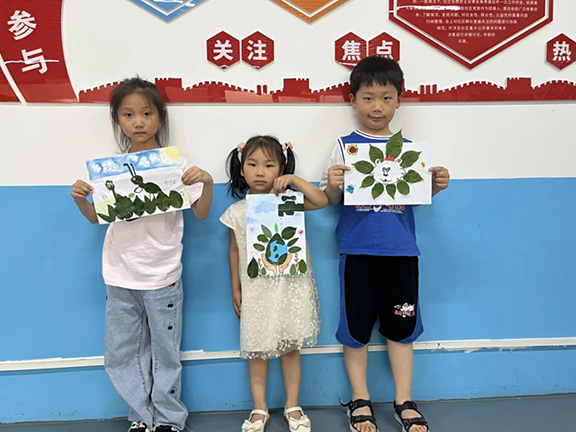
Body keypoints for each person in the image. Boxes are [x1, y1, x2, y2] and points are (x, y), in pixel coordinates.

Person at [71, 77, 214, 432]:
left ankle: (169, 419)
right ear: (117, 120)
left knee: (166, 351)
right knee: (122, 352)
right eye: (128, 114)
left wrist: (207, 182)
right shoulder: (110, 172)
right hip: (120, 274)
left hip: (163, 274)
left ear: (160, 117)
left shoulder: (177, 166)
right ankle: (140, 416)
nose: (138, 122)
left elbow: (201, 213)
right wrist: (81, 201)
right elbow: (96, 218)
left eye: (147, 113)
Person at [320, 56, 450, 432]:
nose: (377, 106)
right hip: (357, 252)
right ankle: (359, 398)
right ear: (353, 100)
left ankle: (403, 400)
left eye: (386, 97)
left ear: (399, 101)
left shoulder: (409, 152)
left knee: (402, 329)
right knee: (355, 329)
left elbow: (416, 199)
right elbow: (331, 199)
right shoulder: (343, 147)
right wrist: (333, 184)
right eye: (368, 97)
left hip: (402, 253)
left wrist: (435, 186)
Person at [220, 136, 328, 432]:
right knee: (257, 350)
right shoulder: (237, 211)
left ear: (281, 168)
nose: (259, 172)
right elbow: (233, 251)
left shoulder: (290, 202)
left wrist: (293, 180)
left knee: (290, 347)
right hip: (256, 291)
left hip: (290, 288)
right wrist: (235, 288)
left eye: (269, 165)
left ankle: (293, 405)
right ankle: (259, 408)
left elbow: (321, 200)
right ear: (241, 168)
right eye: (252, 164)